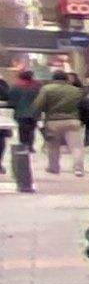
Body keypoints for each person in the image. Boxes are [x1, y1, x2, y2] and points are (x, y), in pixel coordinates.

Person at [33, 64, 86, 177]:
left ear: (53, 78)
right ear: (66, 79)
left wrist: (36, 117)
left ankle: (54, 167)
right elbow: (83, 106)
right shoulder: (76, 91)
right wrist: (82, 119)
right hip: (73, 120)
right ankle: (78, 168)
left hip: (53, 121)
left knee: (53, 146)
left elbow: (39, 105)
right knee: (76, 146)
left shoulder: (47, 89)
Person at [6, 64, 39, 192]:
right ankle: (30, 145)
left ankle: (24, 145)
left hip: (21, 114)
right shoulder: (37, 87)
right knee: (31, 130)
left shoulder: (16, 87)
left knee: (22, 131)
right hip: (34, 113)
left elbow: (11, 102)